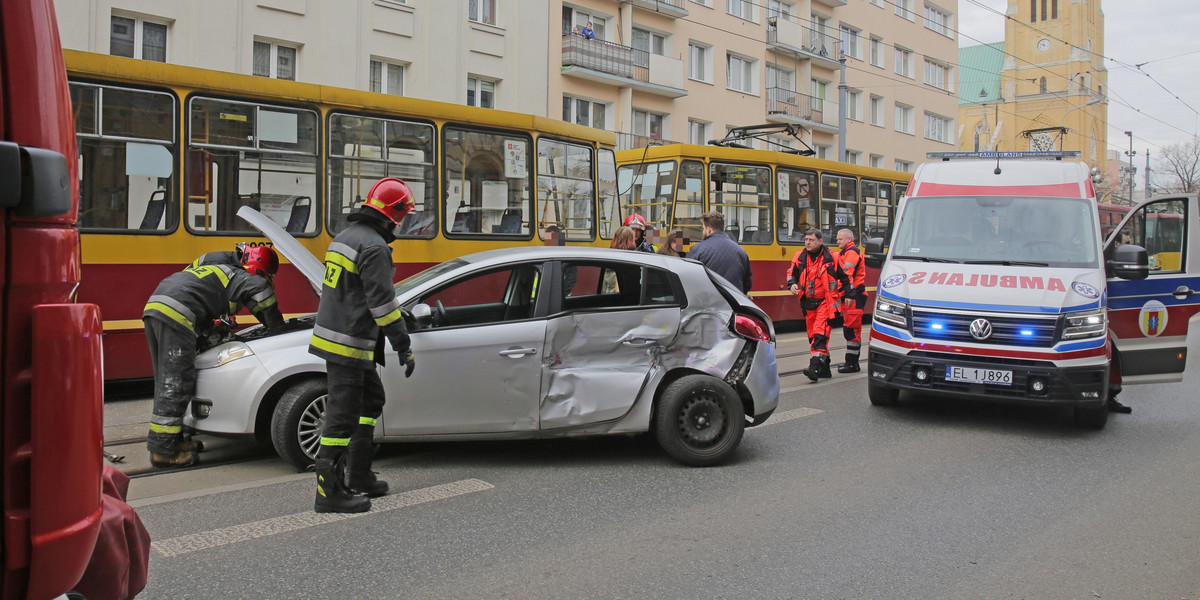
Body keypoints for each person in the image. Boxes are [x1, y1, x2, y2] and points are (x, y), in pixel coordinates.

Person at [309, 177, 417, 514]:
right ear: (393, 214)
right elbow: (382, 306)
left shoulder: (346, 238)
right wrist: (403, 345)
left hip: (340, 336)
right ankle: (329, 491)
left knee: (372, 399)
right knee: (341, 416)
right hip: (350, 343)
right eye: (404, 215)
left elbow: (349, 293)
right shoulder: (375, 247)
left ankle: (358, 473)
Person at [142, 246, 283, 468]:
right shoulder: (243, 276)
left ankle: (176, 440)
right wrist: (276, 329)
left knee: (167, 379)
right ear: (261, 269)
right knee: (175, 383)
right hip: (178, 314)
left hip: (158, 306)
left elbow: (197, 293)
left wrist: (210, 324)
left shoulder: (216, 267)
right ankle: (163, 451)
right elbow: (263, 295)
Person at [787, 228, 850, 381]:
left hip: (826, 302)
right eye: (806, 240)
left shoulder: (833, 257)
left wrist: (849, 294)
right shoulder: (800, 257)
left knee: (819, 333)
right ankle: (825, 368)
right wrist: (791, 284)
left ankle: (814, 367)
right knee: (813, 337)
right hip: (808, 303)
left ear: (820, 242)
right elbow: (792, 273)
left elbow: (846, 277)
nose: (807, 242)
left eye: (811, 240)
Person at [687, 211, 752, 293]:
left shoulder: (697, 249)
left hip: (708, 302)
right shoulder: (740, 251)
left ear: (709, 230)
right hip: (733, 302)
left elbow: (688, 280)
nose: (703, 231)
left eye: (703, 228)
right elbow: (747, 283)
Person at [834, 228, 866, 373]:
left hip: (853, 296)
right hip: (853, 295)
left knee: (851, 330)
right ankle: (852, 363)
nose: (837, 241)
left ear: (848, 239)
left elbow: (846, 275)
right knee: (851, 329)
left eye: (840, 239)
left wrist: (839, 291)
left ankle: (852, 364)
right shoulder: (847, 252)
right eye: (837, 238)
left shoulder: (851, 253)